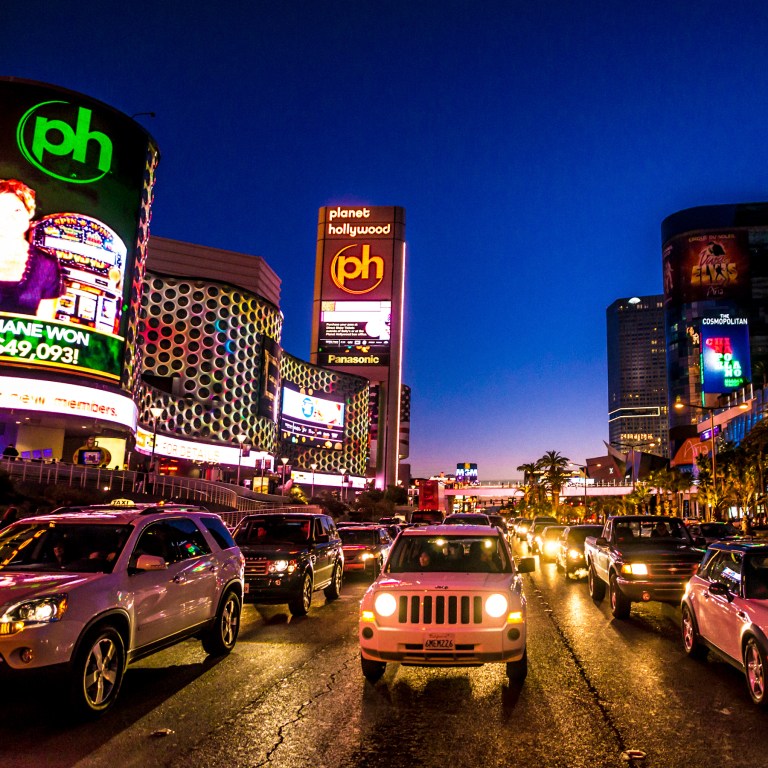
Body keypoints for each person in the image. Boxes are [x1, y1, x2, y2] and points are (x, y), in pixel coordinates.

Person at [0, 179, 62, 319]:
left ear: (29, 213)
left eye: (17, 210)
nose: (10, 218)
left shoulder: (47, 265)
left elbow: (45, 326)